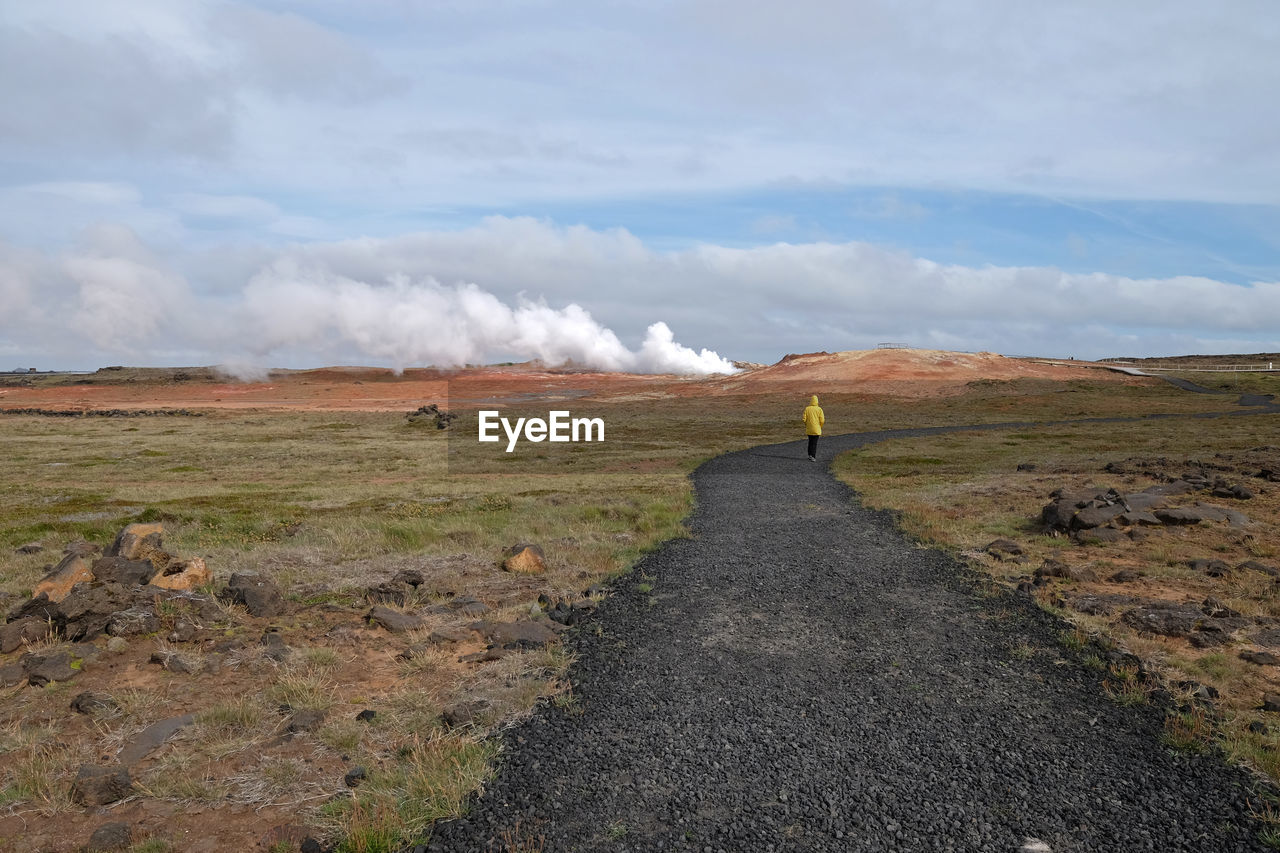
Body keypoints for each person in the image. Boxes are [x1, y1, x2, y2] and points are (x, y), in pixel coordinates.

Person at [802, 394, 825, 462]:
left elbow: (804, 419)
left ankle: (809, 455)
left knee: (810, 442)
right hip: (817, 429)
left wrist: (807, 425)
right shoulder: (819, 409)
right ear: (817, 401)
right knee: (814, 443)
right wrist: (820, 426)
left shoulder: (807, 408)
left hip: (809, 429)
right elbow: (822, 420)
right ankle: (813, 456)